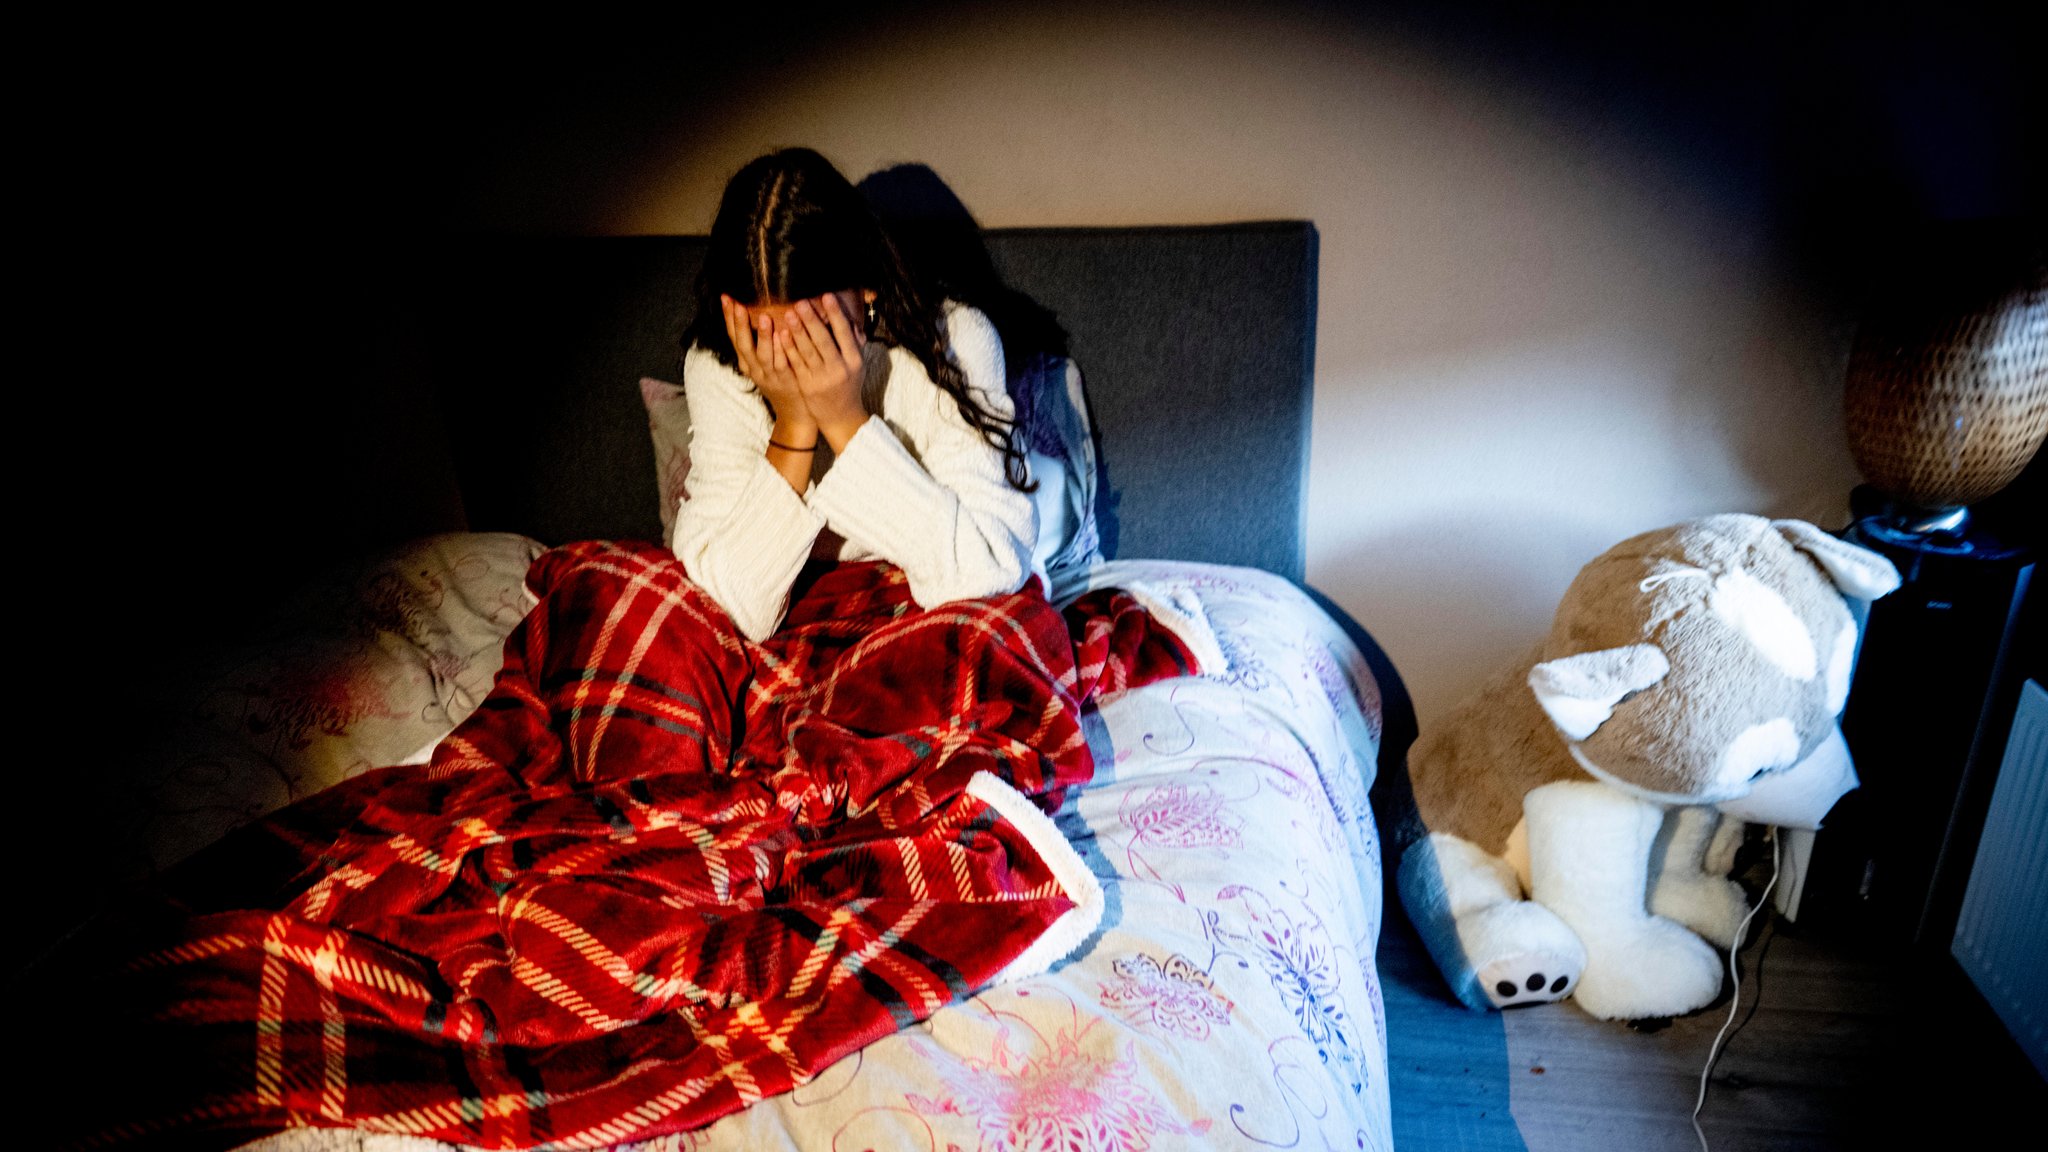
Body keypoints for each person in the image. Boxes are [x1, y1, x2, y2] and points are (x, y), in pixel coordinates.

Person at [674, 148, 1039, 640]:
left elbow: (986, 572)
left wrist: (845, 420)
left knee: (999, 636)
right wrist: (795, 425)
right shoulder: (722, 364)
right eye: (766, 335)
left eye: (816, 328)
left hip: (925, 600)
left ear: (865, 285)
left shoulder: (953, 341)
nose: (791, 358)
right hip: (791, 612)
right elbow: (731, 609)